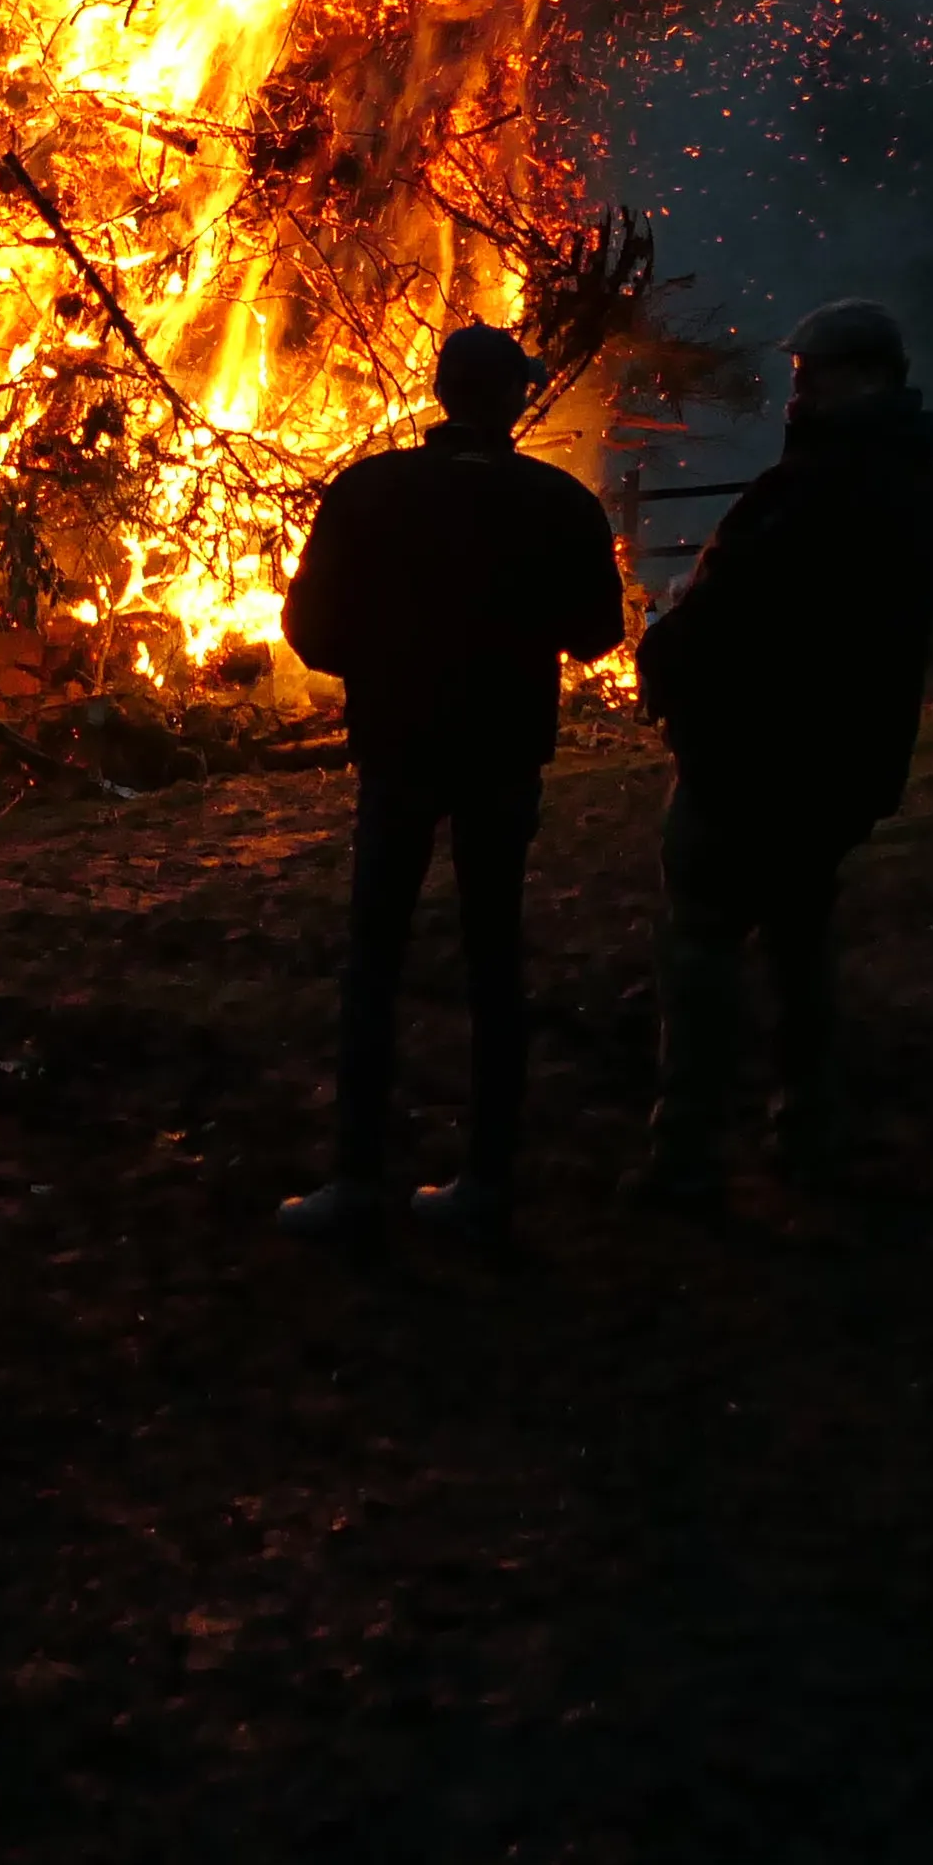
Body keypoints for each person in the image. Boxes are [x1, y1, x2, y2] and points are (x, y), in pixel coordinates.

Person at [271, 324, 627, 1246]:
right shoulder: (556, 501)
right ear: (511, 401)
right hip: (504, 752)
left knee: (374, 960)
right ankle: (489, 1181)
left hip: (397, 748)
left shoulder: (368, 490)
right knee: (494, 960)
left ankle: (355, 1181)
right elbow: (595, 635)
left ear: (440, 394)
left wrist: (378, 669)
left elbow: (310, 624)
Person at [631, 301, 933, 1204]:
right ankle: (807, 1133)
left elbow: (742, 609)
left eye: (811, 373)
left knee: (702, 945)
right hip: (843, 762)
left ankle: (687, 1154)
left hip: (756, 761)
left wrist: (664, 652)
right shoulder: (912, 478)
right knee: (801, 938)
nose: (795, 390)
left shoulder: (825, 484)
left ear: (863, 376)